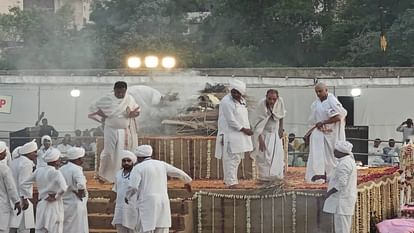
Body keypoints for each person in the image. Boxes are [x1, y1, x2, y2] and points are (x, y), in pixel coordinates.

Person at [125, 145, 192, 233]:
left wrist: (127, 196)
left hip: (147, 202)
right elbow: (178, 172)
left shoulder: (138, 168)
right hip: (163, 201)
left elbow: (133, 187)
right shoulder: (161, 164)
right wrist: (187, 181)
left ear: (138, 157)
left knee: (146, 227)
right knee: (162, 228)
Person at [89, 81, 140, 183]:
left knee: (125, 152)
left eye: (122, 93)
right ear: (114, 90)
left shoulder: (129, 98)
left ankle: (124, 174)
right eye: (118, 93)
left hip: (125, 130)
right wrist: (102, 117)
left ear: (125, 91)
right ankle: (103, 175)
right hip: (111, 129)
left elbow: (137, 110)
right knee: (108, 152)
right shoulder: (106, 99)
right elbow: (92, 109)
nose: (120, 95)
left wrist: (133, 114)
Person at [305, 83, 347, 183]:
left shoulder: (331, 101)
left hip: (332, 134)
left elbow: (338, 117)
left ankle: (333, 176)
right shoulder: (315, 104)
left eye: (320, 91)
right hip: (319, 132)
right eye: (316, 92)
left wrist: (324, 122)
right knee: (318, 155)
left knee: (331, 156)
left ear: (326, 90)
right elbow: (313, 120)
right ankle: (318, 176)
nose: (318, 93)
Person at [215, 79, 253, 188]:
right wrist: (244, 129)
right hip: (229, 135)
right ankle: (231, 182)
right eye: (233, 91)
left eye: (238, 92)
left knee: (236, 159)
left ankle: (231, 180)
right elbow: (231, 120)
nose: (235, 94)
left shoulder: (242, 101)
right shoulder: (226, 101)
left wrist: (247, 128)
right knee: (230, 159)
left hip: (239, 135)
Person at [312, 141, 357, 233]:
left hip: (342, 201)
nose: (334, 152)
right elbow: (336, 177)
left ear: (342, 152)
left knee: (342, 228)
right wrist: (321, 176)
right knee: (343, 227)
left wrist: (329, 193)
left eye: (336, 150)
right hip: (344, 200)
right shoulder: (347, 161)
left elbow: (341, 183)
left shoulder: (344, 164)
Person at [20, 148, 68, 233]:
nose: (60, 161)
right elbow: (64, 188)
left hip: (41, 204)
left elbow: (23, 184)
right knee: (54, 229)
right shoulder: (56, 172)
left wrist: (27, 197)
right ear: (55, 161)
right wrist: (56, 197)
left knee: (40, 229)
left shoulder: (39, 170)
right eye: (59, 159)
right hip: (53, 205)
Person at [251, 89, 286, 181]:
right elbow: (257, 124)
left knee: (278, 157)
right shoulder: (261, 105)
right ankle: (265, 179)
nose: (271, 101)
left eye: (274, 99)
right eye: (269, 99)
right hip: (264, 134)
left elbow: (282, 115)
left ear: (277, 98)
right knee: (264, 157)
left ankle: (276, 178)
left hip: (275, 135)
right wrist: (260, 139)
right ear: (266, 97)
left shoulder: (280, 102)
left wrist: (280, 128)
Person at [9, 141, 37, 233]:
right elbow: (24, 182)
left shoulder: (15, 161)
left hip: (14, 195)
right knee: (23, 225)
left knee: (14, 223)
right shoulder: (27, 163)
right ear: (29, 152)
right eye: (34, 152)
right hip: (22, 197)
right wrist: (25, 199)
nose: (36, 154)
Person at [59, 147, 89, 233]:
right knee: (77, 227)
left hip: (64, 201)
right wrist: (80, 193)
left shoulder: (62, 169)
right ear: (78, 159)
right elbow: (81, 184)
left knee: (66, 226)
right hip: (75, 202)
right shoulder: (76, 169)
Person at [112, 150, 138, 233]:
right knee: (120, 228)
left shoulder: (137, 173)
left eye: (128, 160)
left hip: (133, 206)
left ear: (133, 162)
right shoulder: (118, 173)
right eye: (124, 161)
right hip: (120, 207)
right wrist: (110, 202)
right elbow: (115, 189)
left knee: (133, 229)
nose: (126, 163)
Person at [0, 142, 21, 233]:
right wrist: (16, 201)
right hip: (2, 205)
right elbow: (11, 187)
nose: (6, 154)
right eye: (5, 152)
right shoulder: (4, 168)